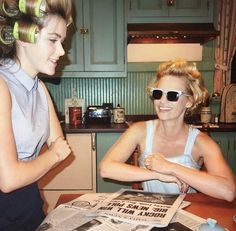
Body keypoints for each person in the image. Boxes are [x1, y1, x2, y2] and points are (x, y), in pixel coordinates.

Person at [99, 59, 236, 202]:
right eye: (158, 93)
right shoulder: (140, 131)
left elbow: (228, 191)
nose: (162, 101)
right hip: (151, 211)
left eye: (172, 95)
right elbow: (106, 168)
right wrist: (157, 174)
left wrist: (171, 167)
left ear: (189, 101)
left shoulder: (201, 142)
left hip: (189, 212)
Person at [0, 0, 72, 230]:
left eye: (61, 41)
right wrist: (52, 156)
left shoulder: (39, 88)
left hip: (29, 208)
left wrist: (32, 166)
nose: (62, 51)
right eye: (53, 40)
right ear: (23, 37)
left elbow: (60, 145)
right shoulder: (1, 85)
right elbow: (9, 179)